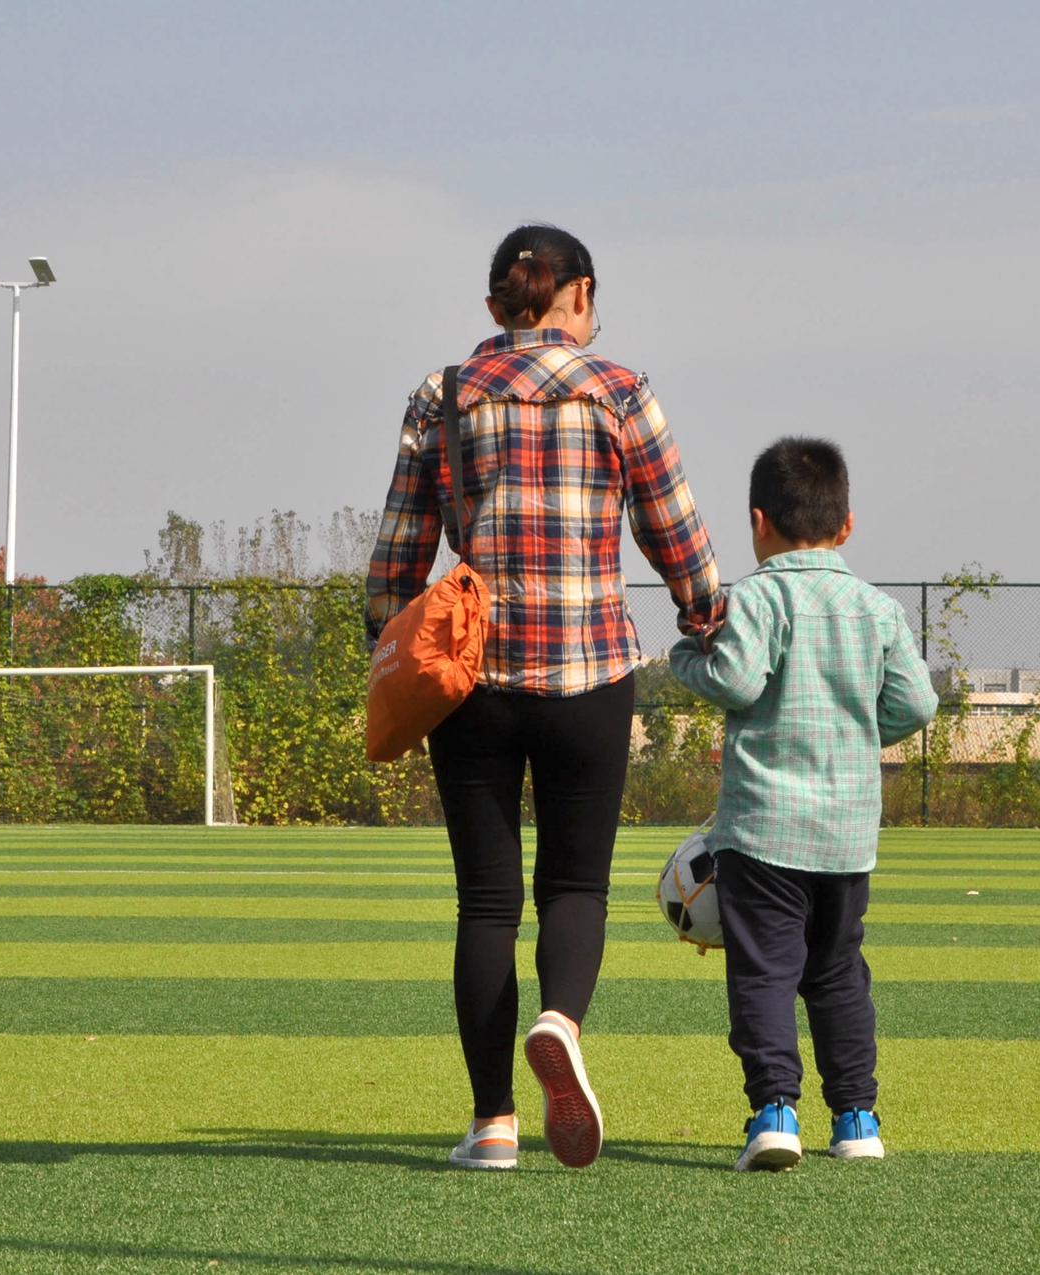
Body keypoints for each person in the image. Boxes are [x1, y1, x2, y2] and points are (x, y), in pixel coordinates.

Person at [366, 225, 724, 1170]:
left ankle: (491, 1124)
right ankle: (559, 1020)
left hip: (470, 683)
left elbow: (399, 559)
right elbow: (674, 533)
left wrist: (387, 643)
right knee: (576, 885)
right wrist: (706, 612)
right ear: (583, 296)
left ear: (493, 308)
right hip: (591, 673)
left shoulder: (440, 397)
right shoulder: (619, 390)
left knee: (484, 903)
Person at [668, 436, 937, 1171]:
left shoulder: (756, 596)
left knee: (763, 973)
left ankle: (774, 1109)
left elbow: (738, 680)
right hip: (848, 837)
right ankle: (856, 1117)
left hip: (762, 831)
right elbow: (918, 702)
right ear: (845, 525)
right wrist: (859, 734)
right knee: (838, 971)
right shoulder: (876, 609)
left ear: (758, 523)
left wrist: (684, 656)